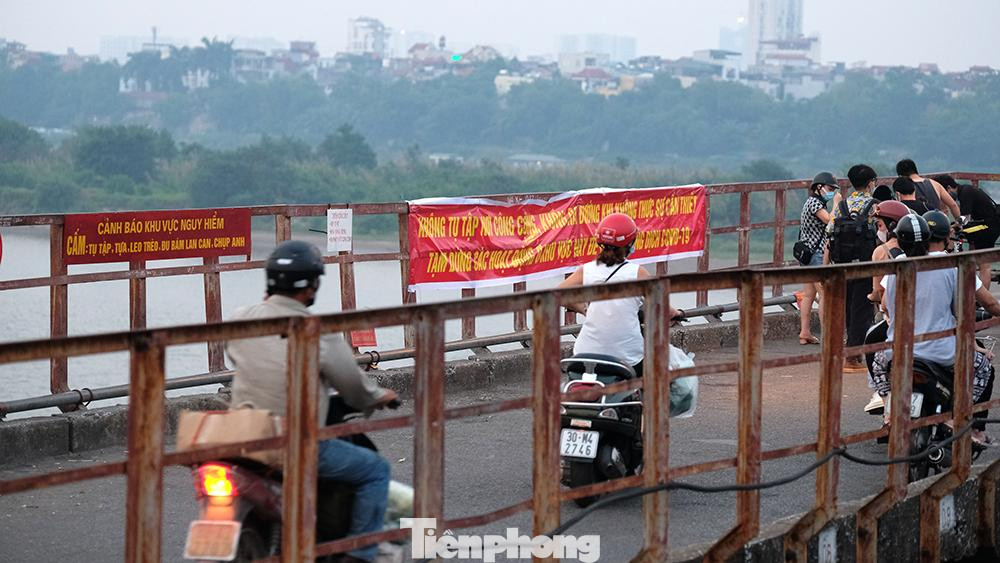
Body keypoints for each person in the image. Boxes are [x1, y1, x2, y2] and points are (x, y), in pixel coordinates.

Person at [226, 240, 399, 563]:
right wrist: (382, 396)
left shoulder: (241, 318)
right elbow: (354, 390)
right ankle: (360, 554)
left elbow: (235, 355)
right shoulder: (317, 332)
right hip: (292, 442)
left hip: (241, 437)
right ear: (311, 287)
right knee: (376, 469)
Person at [874, 212, 1000, 445]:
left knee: (879, 363)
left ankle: (888, 411)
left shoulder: (893, 269)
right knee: (983, 368)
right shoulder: (952, 265)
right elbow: (966, 310)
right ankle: (966, 424)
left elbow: (884, 305)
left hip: (897, 352)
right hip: (940, 353)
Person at [558, 212, 681, 376]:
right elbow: (664, 308)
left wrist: (584, 309)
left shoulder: (586, 270)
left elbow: (558, 294)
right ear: (630, 243)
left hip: (584, 353)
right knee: (659, 380)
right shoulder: (638, 273)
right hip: (627, 358)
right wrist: (676, 314)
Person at [826, 164, 879, 373]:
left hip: (843, 264)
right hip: (866, 264)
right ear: (870, 183)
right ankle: (852, 357)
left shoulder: (843, 205)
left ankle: (848, 352)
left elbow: (830, 230)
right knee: (863, 309)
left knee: (848, 307)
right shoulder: (875, 205)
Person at [861, 200, 910, 414]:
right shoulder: (915, 249)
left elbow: (878, 294)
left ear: (891, 226)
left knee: (871, 341)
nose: (878, 230)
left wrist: (870, 295)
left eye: (880, 225)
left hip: (893, 319)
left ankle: (881, 393)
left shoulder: (881, 251)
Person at [935, 174, 1000, 288]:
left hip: (987, 227)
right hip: (987, 225)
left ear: (949, 188)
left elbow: (965, 218)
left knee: (984, 264)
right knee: (978, 260)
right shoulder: (965, 190)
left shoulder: (966, 192)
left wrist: (953, 227)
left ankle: (980, 298)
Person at [795, 171, 836, 345]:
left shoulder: (811, 202)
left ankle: (805, 333)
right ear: (818, 187)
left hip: (807, 254)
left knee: (809, 294)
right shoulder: (814, 203)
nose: (831, 191)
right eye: (830, 188)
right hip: (816, 255)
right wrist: (837, 203)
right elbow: (830, 221)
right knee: (824, 293)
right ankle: (827, 335)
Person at [896, 158, 961, 218]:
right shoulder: (935, 184)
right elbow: (953, 205)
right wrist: (958, 223)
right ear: (916, 170)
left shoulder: (906, 187)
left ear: (900, 176)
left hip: (918, 226)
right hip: (937, 224)